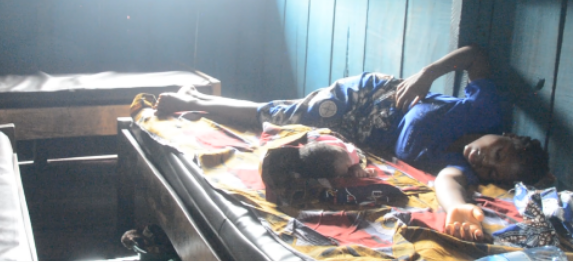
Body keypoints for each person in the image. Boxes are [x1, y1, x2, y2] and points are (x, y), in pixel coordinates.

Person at [154, 45, 550, 243]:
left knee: (282, 114)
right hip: (368, 95)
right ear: (508, 136)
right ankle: (192, 100)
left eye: (492, 171)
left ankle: (198, 100)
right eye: (498, 152)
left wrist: (459, 208)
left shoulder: (458, 166)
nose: (485, 160)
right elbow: (475, 56)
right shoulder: (486, 108)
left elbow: (449, 184)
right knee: (288, 114)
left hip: (360, 137)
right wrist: (428, 75)